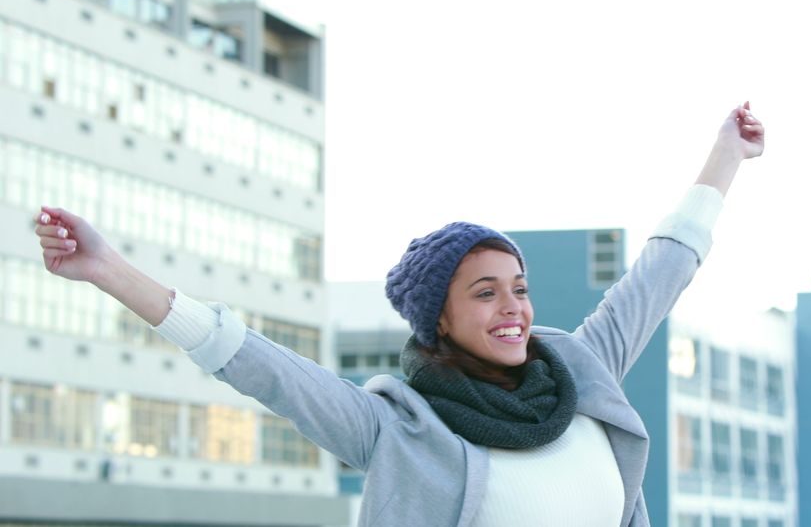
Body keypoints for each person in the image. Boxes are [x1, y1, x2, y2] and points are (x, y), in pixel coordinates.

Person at [33, 102, 764, 526]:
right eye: (484, 292)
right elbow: (257, 365)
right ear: (439, 320)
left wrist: (724, 156)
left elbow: (662, 270)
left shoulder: (581, 366)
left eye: (518, 285)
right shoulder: (399, 430)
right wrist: (107, 269)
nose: (513, 308)